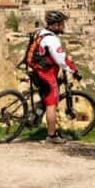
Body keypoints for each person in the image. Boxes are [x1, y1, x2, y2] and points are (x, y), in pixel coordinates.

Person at [25, 9, 82, 145]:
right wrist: (73, 70)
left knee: (46, 97)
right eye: (61, 24)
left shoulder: (41, 33)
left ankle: (37, 114)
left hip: (36, 71)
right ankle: (51, 136)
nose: (63, 27)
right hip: (46, 74)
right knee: (52, 104)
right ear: (55, 25)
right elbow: (61, 60)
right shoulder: (52, 40)